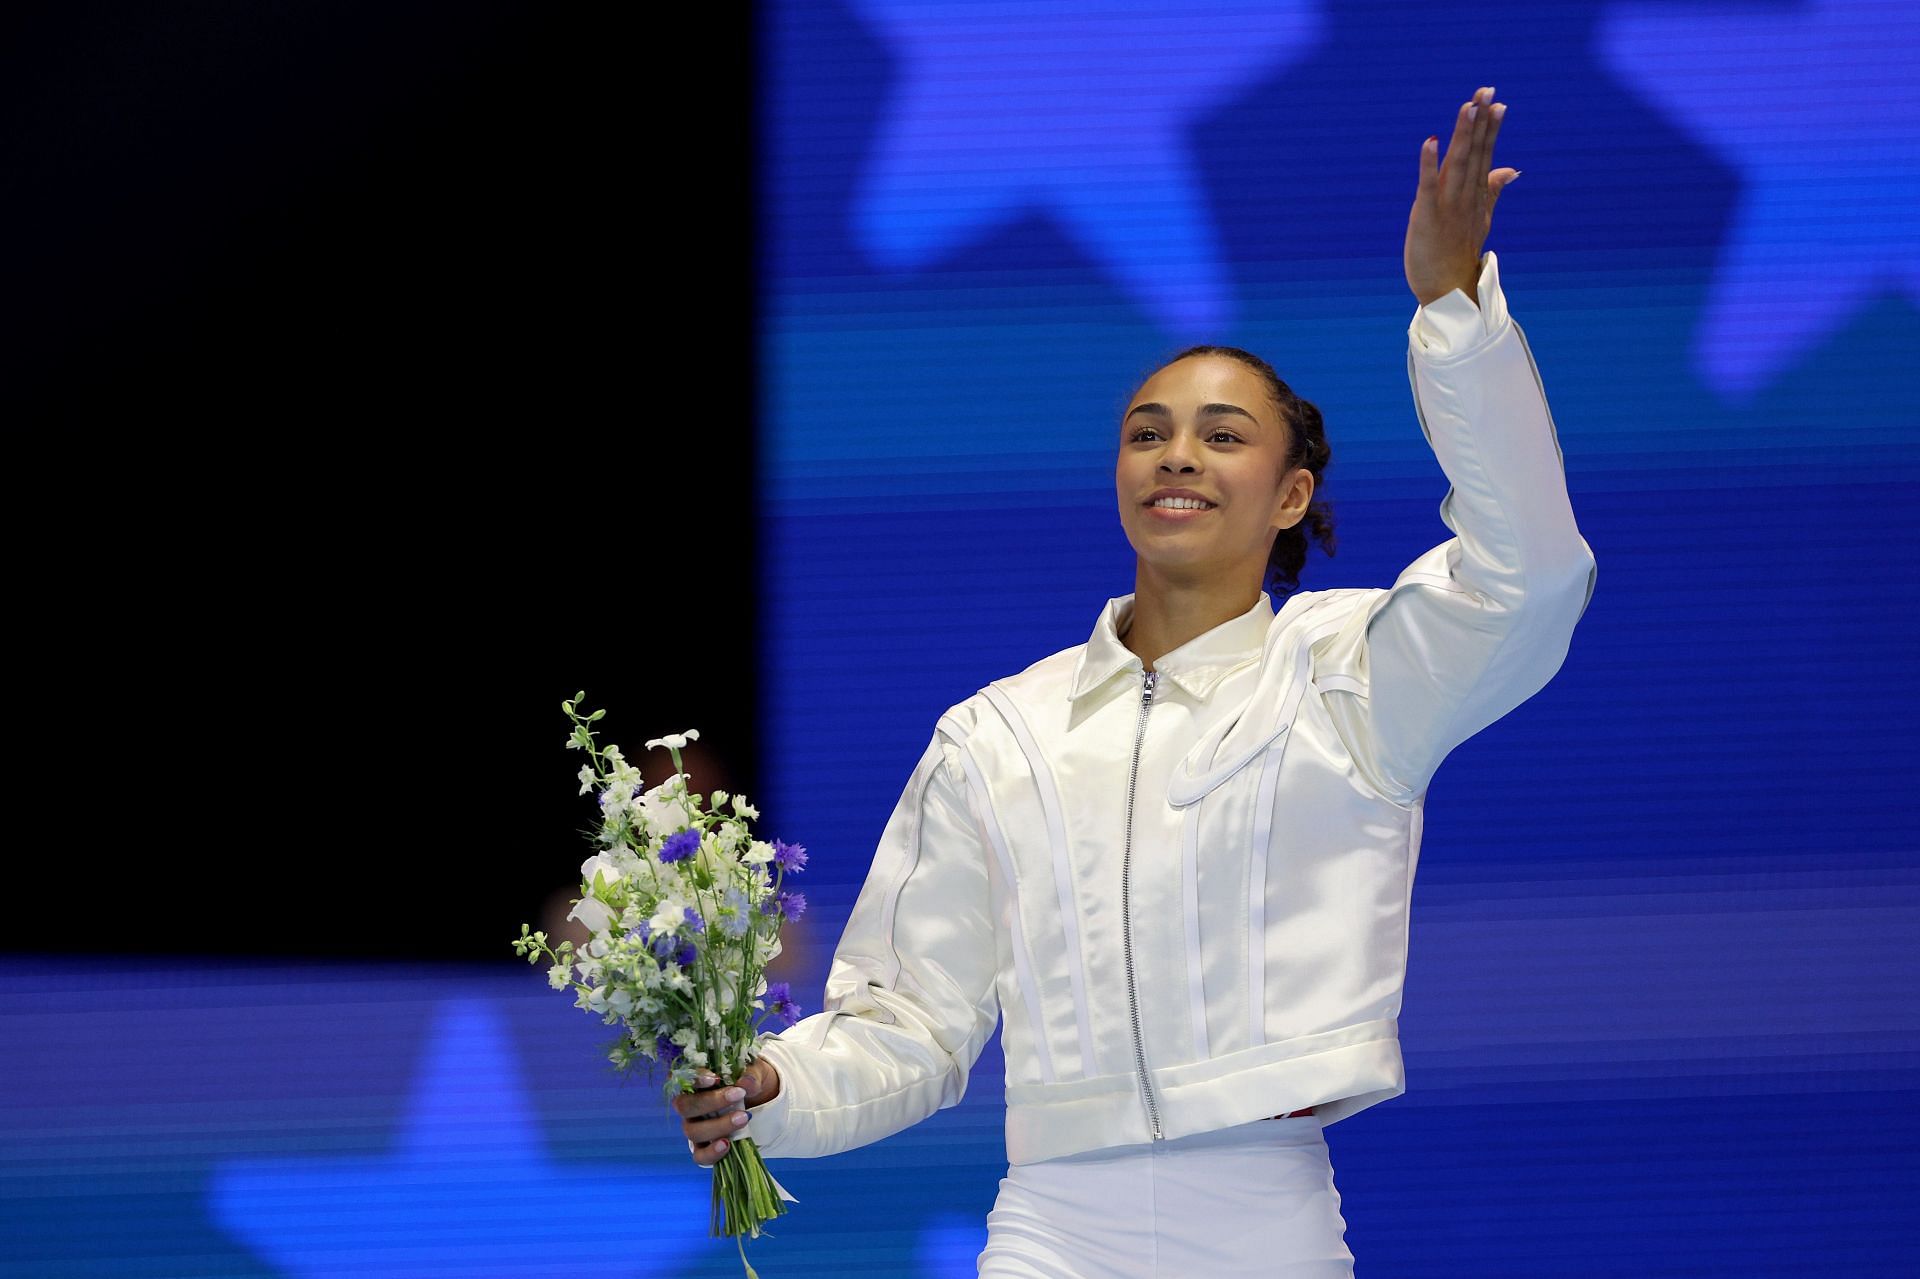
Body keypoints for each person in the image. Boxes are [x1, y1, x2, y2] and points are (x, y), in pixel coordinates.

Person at [675, 85, 1595, 1275]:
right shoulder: (998, 734)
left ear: (1293, 494)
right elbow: (911, 1020)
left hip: (1268, 1220)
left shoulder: (1349, 675)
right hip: (1055, 1230)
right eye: (1148, 429)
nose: (1177, 454)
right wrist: (769, 1086)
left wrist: (1453, 311)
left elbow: (1532, 574)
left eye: (1222, 434)